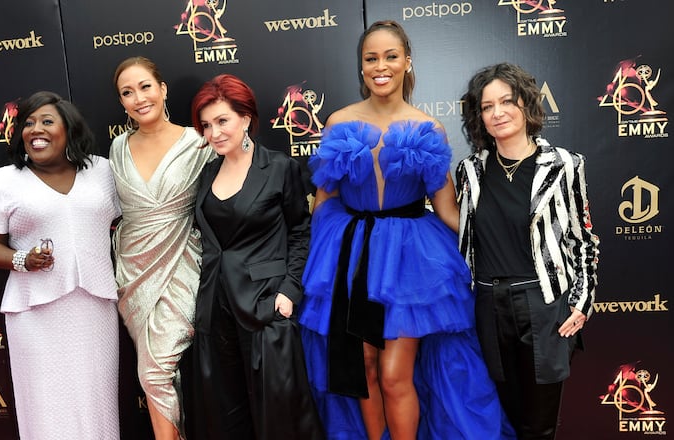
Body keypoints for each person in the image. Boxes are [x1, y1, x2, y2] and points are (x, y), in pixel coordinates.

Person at [299, 20, 514, 439]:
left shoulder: (427, 127)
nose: (381, 66)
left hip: (409, 260)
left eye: (391, 56)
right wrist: (311, 266)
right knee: (361, 368)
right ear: (361, 67)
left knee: (396, 375)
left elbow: (451, 211)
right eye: (371, 58)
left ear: (407, 62)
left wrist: (505, 239)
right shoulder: (339, 122)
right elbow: (323, 202)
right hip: (351, 256)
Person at [457, 62, 599, 439]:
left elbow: (584, 240)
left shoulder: (565, 166)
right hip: (487, 306)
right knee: (502, 421)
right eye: (487, 106)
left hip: (544, 302)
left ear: (527, 106)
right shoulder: (469, 171)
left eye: (507, 101)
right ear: (479, 117)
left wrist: (582, 301)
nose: (498, 112)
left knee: (539, 425)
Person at [0, 91, 121, 440]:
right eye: (28, 122)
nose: (35, 129)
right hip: (34, 312)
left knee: (95, 399)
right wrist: (22, 260)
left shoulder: (103, 171)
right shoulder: (4, 182)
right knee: (44, 403)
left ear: (69, 130)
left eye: (47, 121)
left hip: (94, 307)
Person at [186, 74, 324, 440]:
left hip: (266, 304)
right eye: (206, 125)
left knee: (278, 414)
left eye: (222, 121)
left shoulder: (279, 167)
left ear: (245, 118)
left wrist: (289, 290)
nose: (213, 133)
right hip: (216, 308)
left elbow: (300, 230)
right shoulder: (207, 172)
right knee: (225, 412)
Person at [110, 56, 214, 440]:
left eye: (145, 86)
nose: (138, 98)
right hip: (133, 273)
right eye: (127, 92)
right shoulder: (117, 148)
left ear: (163, 88)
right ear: (121, 102)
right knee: (159, 375)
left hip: (181, 265)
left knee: (154, 370)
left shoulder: (198, 142)